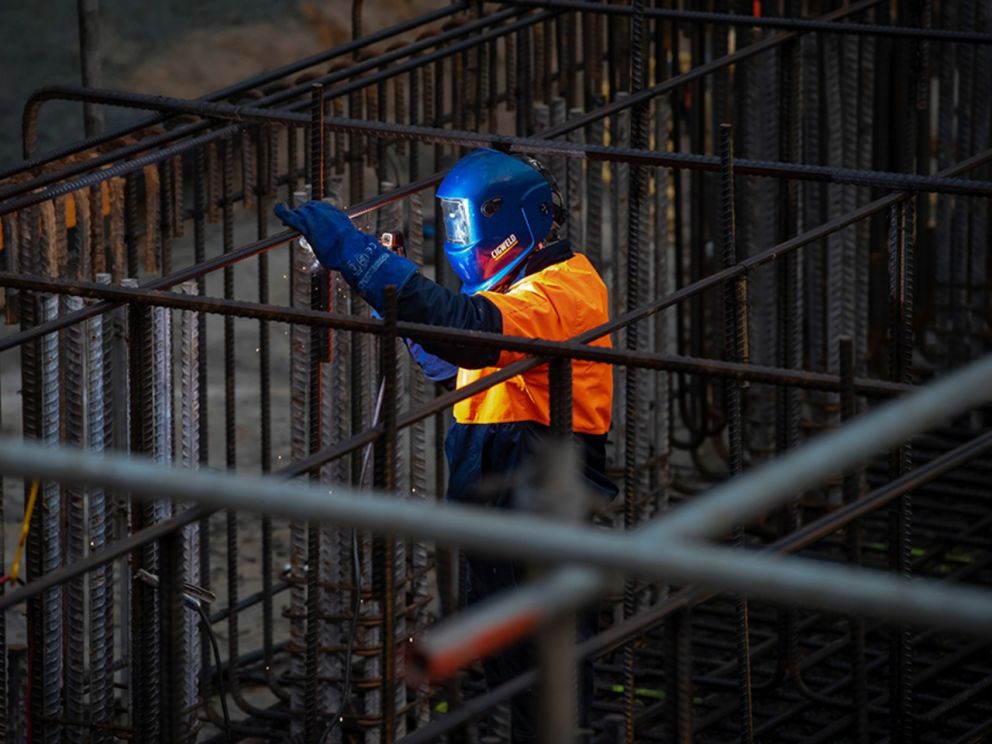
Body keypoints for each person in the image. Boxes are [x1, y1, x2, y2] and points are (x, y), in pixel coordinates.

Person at [275, 147, 615, 742]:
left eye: (464, 223)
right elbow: (450, 356)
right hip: (503, 520)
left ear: (506, 220)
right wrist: (385, 284)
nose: (459, 238)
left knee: (550, 700)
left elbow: (468, 333)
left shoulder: (562, 294)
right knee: (521, 684)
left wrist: (361, 258)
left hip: (545, 519)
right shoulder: (514, 292)